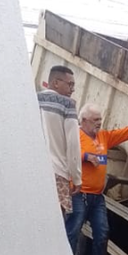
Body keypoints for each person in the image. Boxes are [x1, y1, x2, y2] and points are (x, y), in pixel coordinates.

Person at [65, 103, 128, 255]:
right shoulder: (76, 136)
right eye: (95, 120)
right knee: (73, 230)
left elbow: (124, 134)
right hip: (79, 194)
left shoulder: (103, 137)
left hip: (97, 197)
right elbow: (66, 154)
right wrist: (86, 156)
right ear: (84, 121)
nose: (98, 123)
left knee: (102, 232)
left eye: (100, 119)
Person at [37, 65, 82, 217]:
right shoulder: (68, 105)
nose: (72, 89)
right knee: (54, 222)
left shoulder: (34, 99)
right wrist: (76, 178)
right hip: (57, 172)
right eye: (70, 84)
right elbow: (73, 144)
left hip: (34, 169)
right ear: (56, 83)